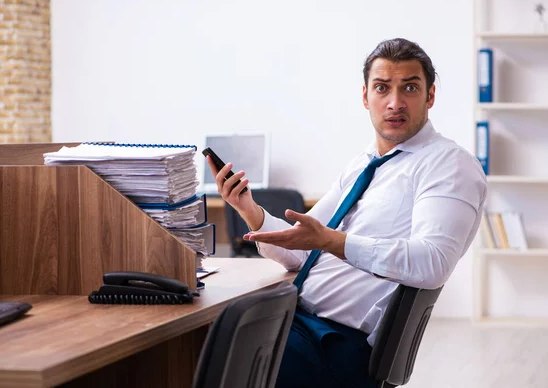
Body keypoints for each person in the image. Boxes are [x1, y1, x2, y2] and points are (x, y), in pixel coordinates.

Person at [206, 37, 487, 388]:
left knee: (207, 355)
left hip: (335, 348)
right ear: (365, 97)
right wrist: (248, 209)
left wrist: (332, 241)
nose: (395, 102)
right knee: (198, 341)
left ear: (430, 97)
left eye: (410, 88)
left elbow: (431, 263)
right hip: (298, 322)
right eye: (382, 88)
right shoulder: (364, 164)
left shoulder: (449, 165)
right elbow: (302, 249)